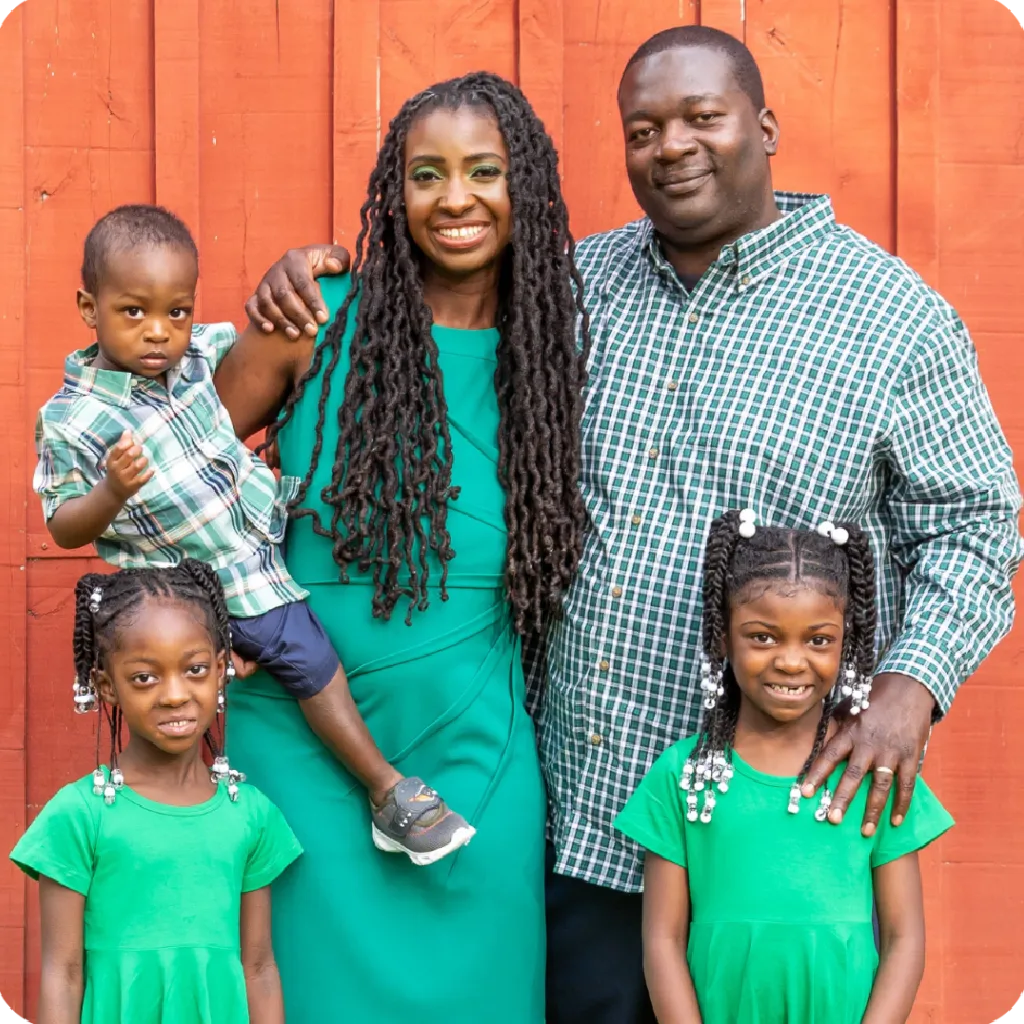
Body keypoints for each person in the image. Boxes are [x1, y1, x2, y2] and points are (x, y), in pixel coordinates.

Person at [240, 26, 1022, 1024]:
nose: (673, 146)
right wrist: (309, 273)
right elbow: (424, 300)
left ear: (765, 126)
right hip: (586, 814)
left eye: (703, 117)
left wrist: (911, 690)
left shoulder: (889, 316)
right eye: (644, 129)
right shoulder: (573, 288)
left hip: (769, 830)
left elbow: (974, 523)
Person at [211, 71, 589, 1022]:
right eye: (427, 174)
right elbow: (176, 472)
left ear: (525, 187)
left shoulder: (551, 350)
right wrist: (205, 613)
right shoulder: (314, 320)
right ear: (395, 191)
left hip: (477, 750)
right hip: (300, 738)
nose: (455, 198)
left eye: (484, 172)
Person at [32, 204, 475, 866]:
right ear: (87, 308)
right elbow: (63, 524)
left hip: (257, 552)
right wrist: (111, 493)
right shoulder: (73, 418)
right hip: (196, 584)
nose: (158, 332)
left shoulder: (195, 357)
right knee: (313, 665)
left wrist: (317, 261)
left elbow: (269, 333)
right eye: (133, 312)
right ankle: (388, 791)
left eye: (176, 312)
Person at [615, 511, 953, 1023]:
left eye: (818, 640)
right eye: (763, 637)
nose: (792, 662)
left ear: (846, 642)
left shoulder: (871, 775)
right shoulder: (683, 776)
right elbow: (662, 940)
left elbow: (904, 938)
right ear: (723, 636)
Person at [9, 562, 302, 1024]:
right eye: (145, 677)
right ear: (106, 686)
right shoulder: (80, 815)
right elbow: (62, 974)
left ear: (220, 671)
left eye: (195, 670)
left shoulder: (249, 814)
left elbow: (259, 967)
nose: (174, 695)